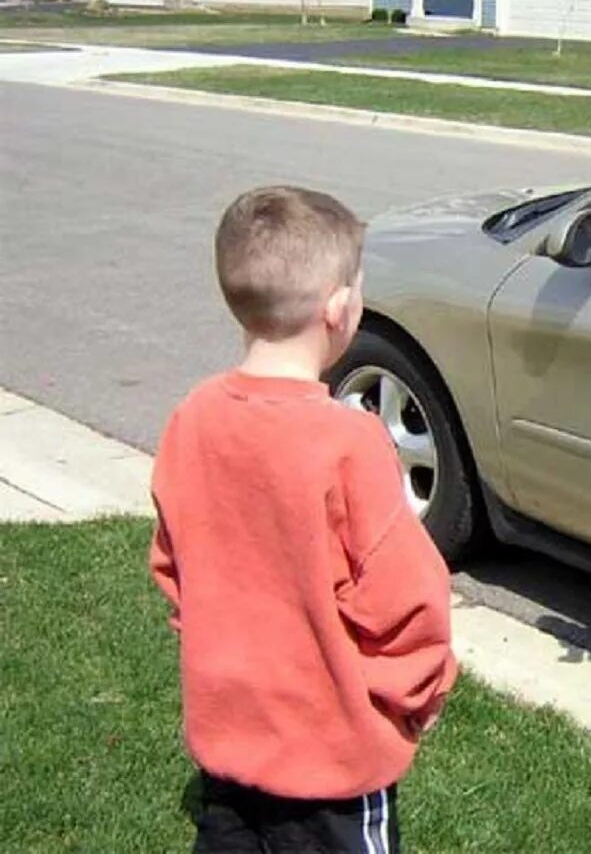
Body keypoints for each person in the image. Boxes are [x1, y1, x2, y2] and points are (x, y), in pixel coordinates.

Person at [149, 186, 457, 854]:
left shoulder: (192, 418)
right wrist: (420, 692)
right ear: (341, 310)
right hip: (336, 768)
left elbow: (175, 569)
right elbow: (407, 599)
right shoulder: (349, 444)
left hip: (229, 741)